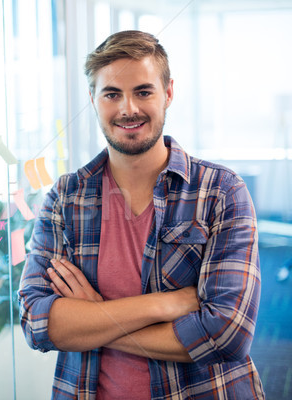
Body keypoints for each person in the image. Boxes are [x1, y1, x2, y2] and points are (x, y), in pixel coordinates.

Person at [18, 30, 264, 399]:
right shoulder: (66, 197)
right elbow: (38, 322)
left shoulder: (221, 191)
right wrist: (164, 304)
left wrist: (96, 316)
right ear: (93, 100)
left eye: (143, 92)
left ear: (168, 94)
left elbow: (228, 335)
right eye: (112, 94)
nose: (128, 109)